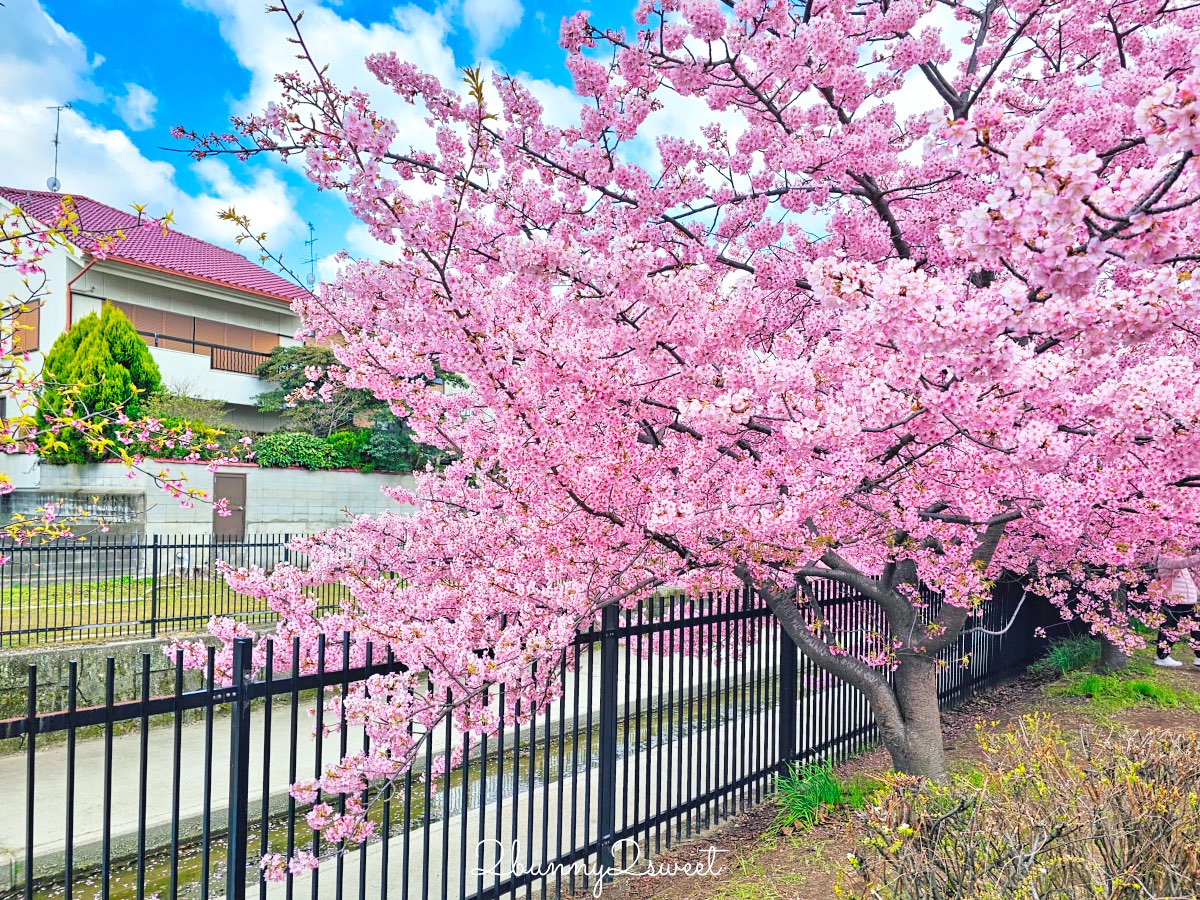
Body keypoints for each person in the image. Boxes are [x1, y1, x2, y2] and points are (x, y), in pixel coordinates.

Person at [1153, 550, 1200, 667]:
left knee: (1197, 626)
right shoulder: (1164, 557)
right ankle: (1162, 656)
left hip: (1188, 599)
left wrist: (1194, 592)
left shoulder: (1179, 558)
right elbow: (1178, 564)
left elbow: (1186, 579)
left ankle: (1199, 656)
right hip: (1173, 598)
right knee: (1170, 626)